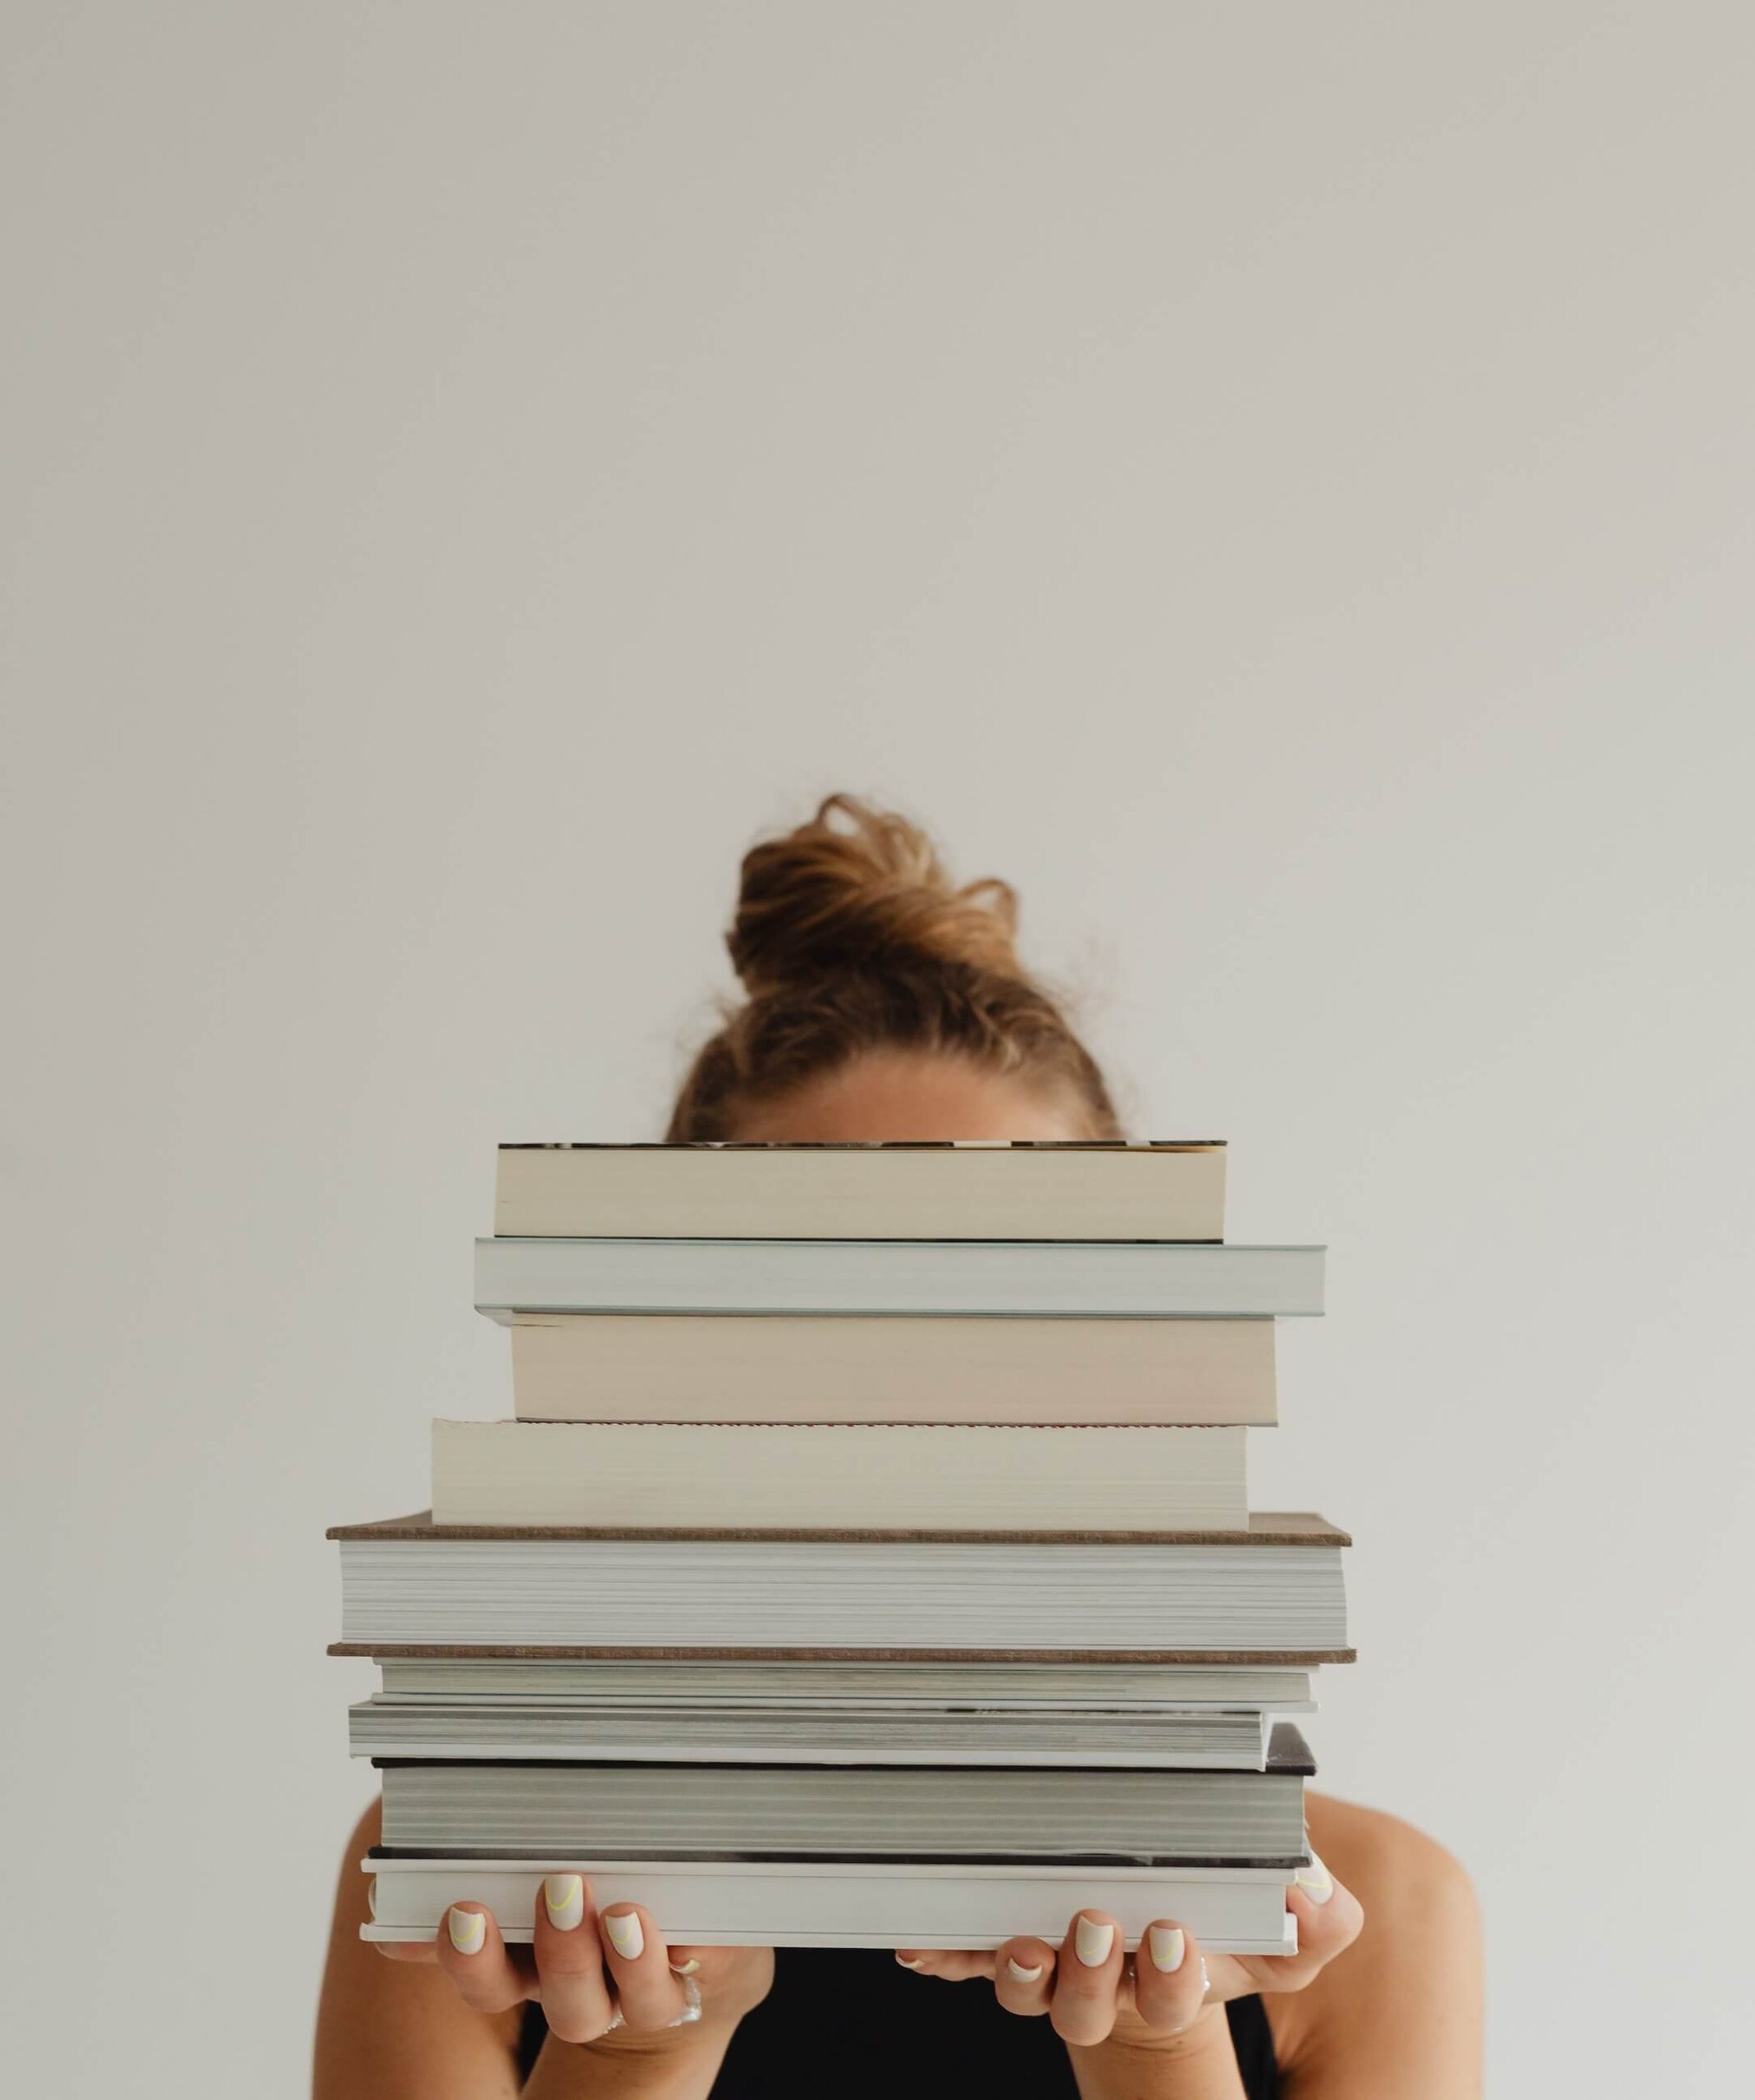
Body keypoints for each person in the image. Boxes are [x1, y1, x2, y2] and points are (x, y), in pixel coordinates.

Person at [313, 794, 1483, 2098]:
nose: (930, 1412)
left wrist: (1161, 2044)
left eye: (1015, 1300)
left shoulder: (1379, 1917)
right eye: (827, 1308)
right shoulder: (466, 1871)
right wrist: (650, 2041)